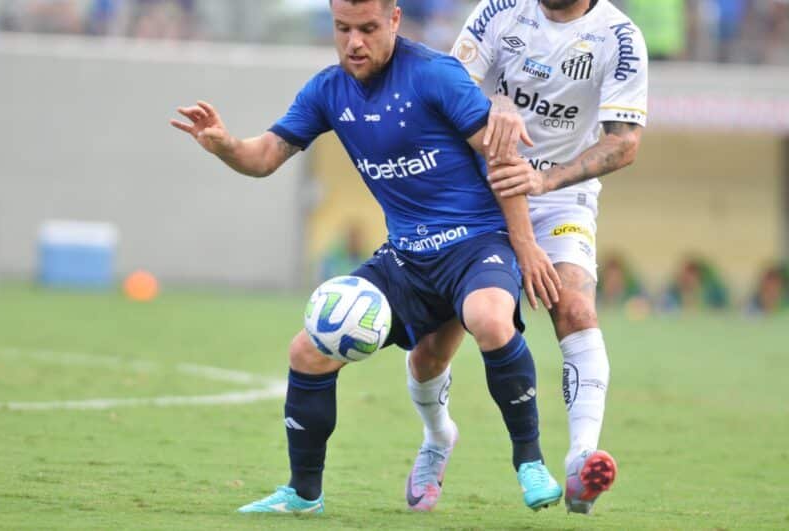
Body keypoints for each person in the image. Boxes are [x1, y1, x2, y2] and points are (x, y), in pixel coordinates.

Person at [171, 0, 563, 515]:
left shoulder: (434, 75)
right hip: (407, 256)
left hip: (476, 242)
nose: (354, 42)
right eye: (343, 29)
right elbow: (264, 157)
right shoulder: (326, 91)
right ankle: (304, 493)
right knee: (311, 352)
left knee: (489, 319)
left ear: (395, 20)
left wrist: (525, 245)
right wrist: (224, 145)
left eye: (368, 29)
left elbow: (501, 154)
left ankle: (530, 463)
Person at [404, 0, 648, 515]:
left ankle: (581, 461)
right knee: (430, 351)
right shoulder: (499, 12)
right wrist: (493, 107)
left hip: (560, 195)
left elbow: (624, 143)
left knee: (576, 307)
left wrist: (544, 179)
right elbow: (451, 88)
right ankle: (437, 437)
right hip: (477, 188)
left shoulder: (619, 37)